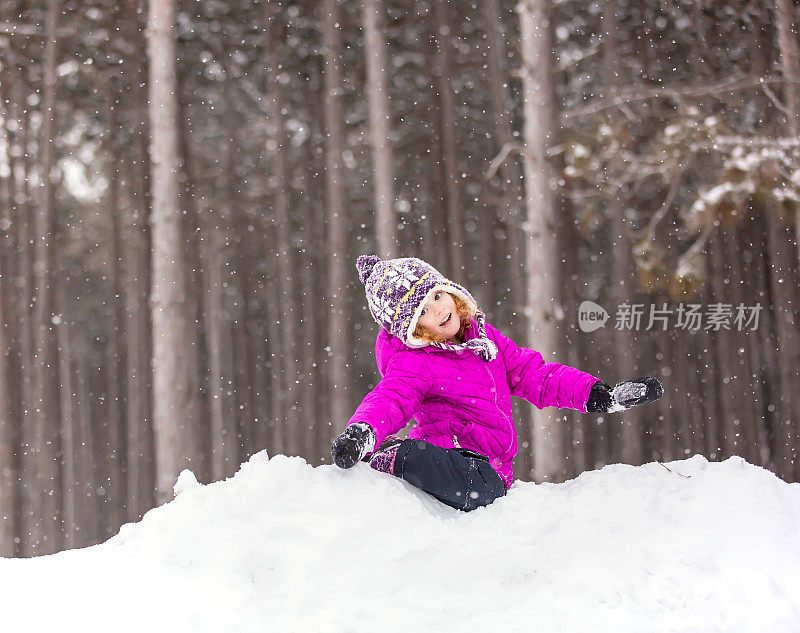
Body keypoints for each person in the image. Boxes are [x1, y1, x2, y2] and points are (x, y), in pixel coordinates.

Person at [331, 255, 663, 512]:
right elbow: (391, 397)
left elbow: (537, 375)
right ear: (412, 330)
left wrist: (597, 395)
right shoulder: (415, 361)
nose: (438, 311)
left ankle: (432, 467)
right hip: (453, 453)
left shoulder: (486, 340)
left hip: (491, 463)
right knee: (482, 489)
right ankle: (396, 457)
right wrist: (362, 432)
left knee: (489, 488)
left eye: (435, 297)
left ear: (448, 290)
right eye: (421, 313)